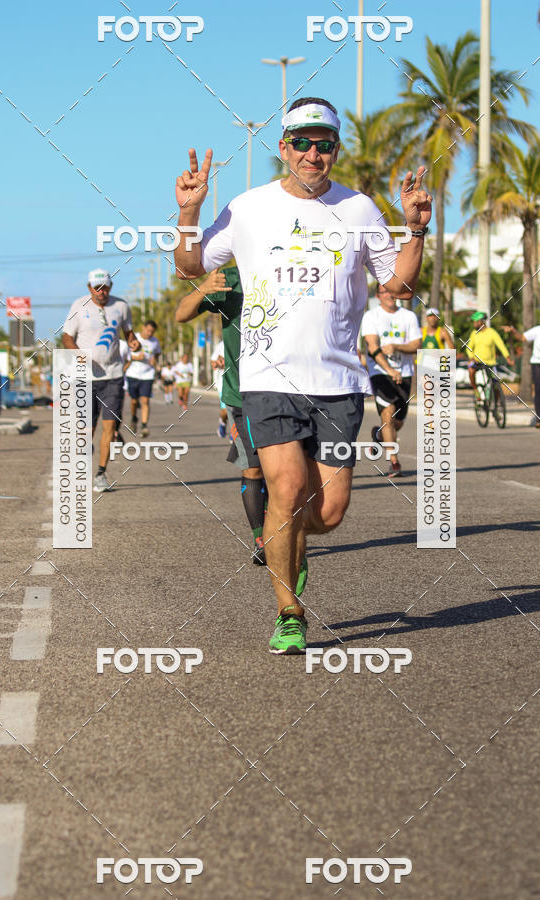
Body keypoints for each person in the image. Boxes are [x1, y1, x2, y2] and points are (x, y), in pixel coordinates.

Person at [173, 96, 432, 653]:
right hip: (268, 378)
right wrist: (190, 215)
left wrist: (415, 231)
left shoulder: (360, 209)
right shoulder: (248, 207)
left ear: (335, 149)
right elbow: (192, 267)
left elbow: (400, 288)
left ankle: (289, 545)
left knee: (330, 512)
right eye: (304, 143)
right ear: (284, 147)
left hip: (338, 383)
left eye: (326, 144)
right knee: (285, 490)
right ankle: (288, 610)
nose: (315, 154)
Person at [175, 266, 268, 566]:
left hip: (290, 391)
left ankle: (286, 529)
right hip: (241, 394)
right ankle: (261, 539)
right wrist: (203, 287)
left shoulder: (294, 271)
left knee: (287, 474)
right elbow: (182, 313)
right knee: (253, 469)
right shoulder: (232, 280)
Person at [62, 269, 139, 492]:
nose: (101, 291)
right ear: (89, 288)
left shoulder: (121, 306)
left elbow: (129, 334)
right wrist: (79, 355)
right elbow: (67, 338)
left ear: (110, 287)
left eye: (105, 287)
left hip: (113, 376)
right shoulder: (79, 306)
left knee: (109, 426)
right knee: (86, 430)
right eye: (97, 287)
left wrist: (134, 343)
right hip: (86, 378)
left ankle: (100, 474)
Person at [361, 284, 422, 477]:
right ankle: (394, 462)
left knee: (398, 422)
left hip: (404, 373)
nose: (389, 295)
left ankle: (378, 435)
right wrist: (388, 369)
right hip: (379, 373)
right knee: (387, 415)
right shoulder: (371, 316)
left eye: (391, 291)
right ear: (378, 296)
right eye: (384, 292)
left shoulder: (408, 316)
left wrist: (396, 346)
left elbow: (416, 345)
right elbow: (372, 346)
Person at [503, 310, 540, 426]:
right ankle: (539, 419)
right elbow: (523, 337)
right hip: (538, 362)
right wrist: (513, 331)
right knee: (539, 389)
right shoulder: (538, 330)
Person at [125, 320, 161, 437]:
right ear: (143, 328)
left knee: (145, 401)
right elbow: (125, 356)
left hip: (147, 374)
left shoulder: (155, 342)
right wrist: (135, 357)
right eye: (148, 330)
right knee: (134, 401)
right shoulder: (134, 338)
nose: (149, 333)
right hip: (133, 373)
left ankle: (144, 426)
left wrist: (155, 361)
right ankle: (134, 418)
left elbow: (156, 355)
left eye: (152, 331)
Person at [466, 311, 514, 395]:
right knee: (471, 370)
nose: (474, 324)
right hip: (477, 361)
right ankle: (475, 390)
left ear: (481, 321)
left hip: (490, 363)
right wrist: (471, 358)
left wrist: (508, 358)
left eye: (475, 321)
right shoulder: (474, 333)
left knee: (496, 383)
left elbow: (501, 346)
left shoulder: (492, 332)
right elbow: (469, 347)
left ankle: (498, 403)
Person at [210, 338, 228, 438]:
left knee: (238, 410)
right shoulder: (222, 344)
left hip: (242, 383)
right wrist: (218, 363)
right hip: (224, 383)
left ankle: (235, 436)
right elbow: (213, 363)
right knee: (226, 410)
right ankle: (223, 422)